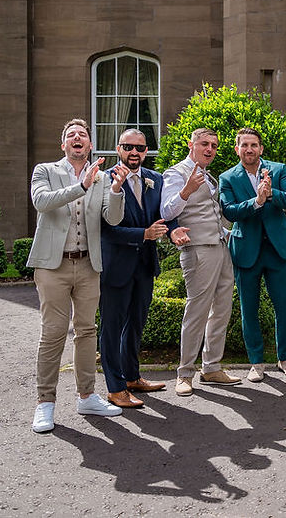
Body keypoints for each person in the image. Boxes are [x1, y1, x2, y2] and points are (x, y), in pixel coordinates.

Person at [27, 118, 128, 433]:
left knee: (86, 331)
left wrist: (114, 189)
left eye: (82, 135)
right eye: (71, 135)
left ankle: (87, 396)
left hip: (88, 265)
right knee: (53, 333)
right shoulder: (45, 171)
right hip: (52, 266)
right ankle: (45, 403)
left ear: (89, 144)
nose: (77, 138)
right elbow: (42, 202)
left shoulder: (100, 178)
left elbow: (112, 217)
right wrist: (81, 185)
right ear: (63, 145)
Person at [100, 129, 188, 409]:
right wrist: (143, 235)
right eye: (128, 147)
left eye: (139, 148)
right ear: (118, 148)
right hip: (116, 265)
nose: (134, 152)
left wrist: (172, 231)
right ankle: (115, 388)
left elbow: (163, 215)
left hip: (145, 265)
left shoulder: (156, 179)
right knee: (112, 327)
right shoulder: (104, 180)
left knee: (136, 324)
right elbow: (104, 229)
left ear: (147, 150)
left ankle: (132, 377)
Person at [162, 128, 242, 396]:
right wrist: (186, 191)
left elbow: (213, 215)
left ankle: (211, 367)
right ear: (191, 144)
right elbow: (166, 211)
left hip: (220, 248)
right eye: (205, 144)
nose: (210, 149)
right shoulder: (176, 173)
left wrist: (230, 234)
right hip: (197, 251)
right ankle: (185, 373)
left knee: (222, 309)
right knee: (196, 312)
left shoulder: (209, 177)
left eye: (215, 146)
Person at [219, 128, 286, 383]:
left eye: (254, 145)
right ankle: (256, 363)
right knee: (248, 309)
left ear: (261, 148)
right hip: (246, 251)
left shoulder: (277, 169)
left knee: (284, 306)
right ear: (237, 149)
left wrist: (271, 193)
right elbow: (230, 211)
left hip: (277, 250)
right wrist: (256, 201)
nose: (249, 149)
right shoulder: (228, 177)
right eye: (244, 145)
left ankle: (285, 358)